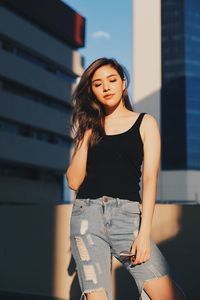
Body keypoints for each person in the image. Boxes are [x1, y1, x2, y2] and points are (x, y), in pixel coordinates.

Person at [66, 57, 187, 300]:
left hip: (128, 218)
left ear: (123, 84)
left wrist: (143, 234)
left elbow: (151, 180)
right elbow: (74, 181)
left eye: (112, 80)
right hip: (86, 218)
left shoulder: (145, 123)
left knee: (170, 295)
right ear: (91, 91)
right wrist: (88, 128)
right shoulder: (90, 126)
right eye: (98, 84)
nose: (106, 87)